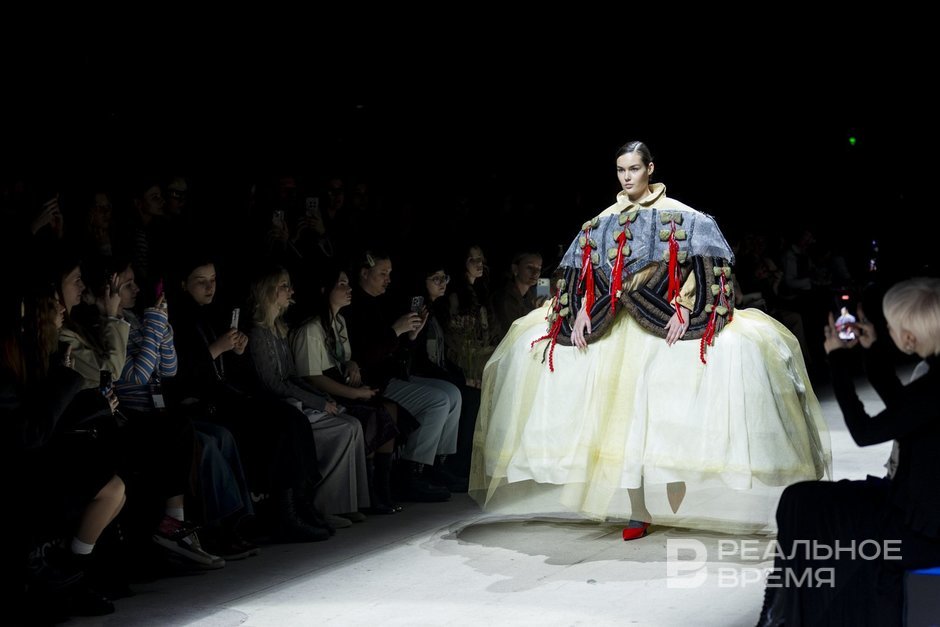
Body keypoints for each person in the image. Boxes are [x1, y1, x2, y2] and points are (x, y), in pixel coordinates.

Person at [470, 141, 831, 539]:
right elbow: (581, 274)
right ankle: (637, 511)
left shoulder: (683, 216)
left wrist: (686, 307)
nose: (627, 177)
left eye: (634, 169)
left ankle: (674, 473)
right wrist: (582, 309)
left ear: (650, 169)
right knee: (621, 417)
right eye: (621, 170)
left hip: (661, 319)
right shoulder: (600, 222)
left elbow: (709, 268)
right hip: (613, 324)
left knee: (667, 403)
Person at [756, 278, 940, 626]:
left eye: (891, 327)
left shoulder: (933, 385)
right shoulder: (932, 377)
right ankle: (784, 608)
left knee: (807, 510)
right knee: (800, 500)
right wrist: (872, 351)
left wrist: (838, 361)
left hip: (922, 529)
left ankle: (789, 612)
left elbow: (865, 432)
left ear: (909, 337)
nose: (887, 332)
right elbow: (905, 410)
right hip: (915, 509)